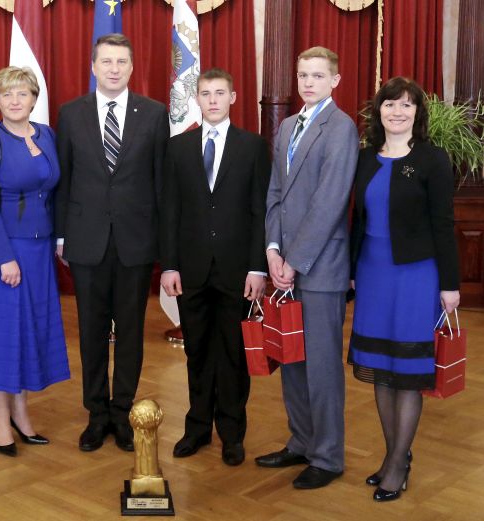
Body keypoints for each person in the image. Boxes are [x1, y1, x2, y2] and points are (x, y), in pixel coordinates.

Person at [55, 33, 169, 452]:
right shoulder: (71, 114)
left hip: (135, 242)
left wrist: (164, 244)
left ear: (132, 67)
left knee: (131, 333)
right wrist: (62, 235)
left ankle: (123, 414)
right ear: (94, 66)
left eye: (121, 61)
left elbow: (161, 182)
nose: (114, 69)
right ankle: (96, 414)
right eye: (106, 61)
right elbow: (64, 178)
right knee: (91, 331)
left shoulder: (154, 114)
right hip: (86, 241)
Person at [348, 76, 460, 502]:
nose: (397, 112)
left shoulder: (432, 159)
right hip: (373, 273)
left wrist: (450, 284)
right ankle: (393, 453)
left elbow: (443, 225)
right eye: (390, 104)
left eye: (406, 105)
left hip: (416, 275)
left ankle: (397, 464)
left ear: (418, 113)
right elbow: (357, 219)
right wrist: (353, 269)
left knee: (408, 374)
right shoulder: (365, 158)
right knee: (381, 368)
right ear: (379, 111)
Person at [0, 67, 70, 457]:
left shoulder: (47, 135)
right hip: (1, 253)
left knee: (29, 331)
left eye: (22, 93)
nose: (15, 100)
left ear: (34, 98)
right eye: (6, 94)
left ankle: (21, 413)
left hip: (38, 252)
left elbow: (55, 194)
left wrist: (58, 239)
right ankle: (0, 418)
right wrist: (5, 257)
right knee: (3, 336)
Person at [258, 47, 359, 489]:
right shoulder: (286, 126)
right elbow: (275, 192)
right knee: (291, 359)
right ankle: (301, 441)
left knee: (321, 367)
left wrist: (294, 261)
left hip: (320, 268)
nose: (308, 82)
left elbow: (330, 202)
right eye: (303, 75)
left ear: (335, 80)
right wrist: (273, 250)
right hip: (285, 265)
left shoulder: (341, 127)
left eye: (318, 75)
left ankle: (328, 456)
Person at [160, 68, 270, 466]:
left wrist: (257, 267)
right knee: (198, 352)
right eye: (205, 93)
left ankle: (232, 433)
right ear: (197, 99)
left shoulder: (253, 147)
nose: (212, 100)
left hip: (237, 271)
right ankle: (197, 428)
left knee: (233, 355)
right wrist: (169, 265)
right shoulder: (178, 148)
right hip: (190, 269)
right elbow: (169, 211)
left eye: (220, 93)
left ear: (233, 97)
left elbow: (260, 211)